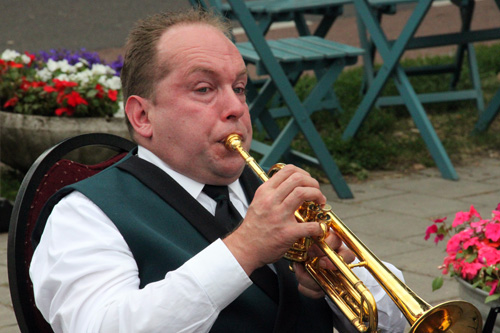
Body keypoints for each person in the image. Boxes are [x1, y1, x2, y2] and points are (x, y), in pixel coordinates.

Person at [30, 8, 407, 333]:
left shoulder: (267, 193)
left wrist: (332, 288)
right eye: (204, 88)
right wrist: (244, 248)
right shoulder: (84, 214)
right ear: (142, 116)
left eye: (240, 87)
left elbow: (396, 321)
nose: (236, 108)